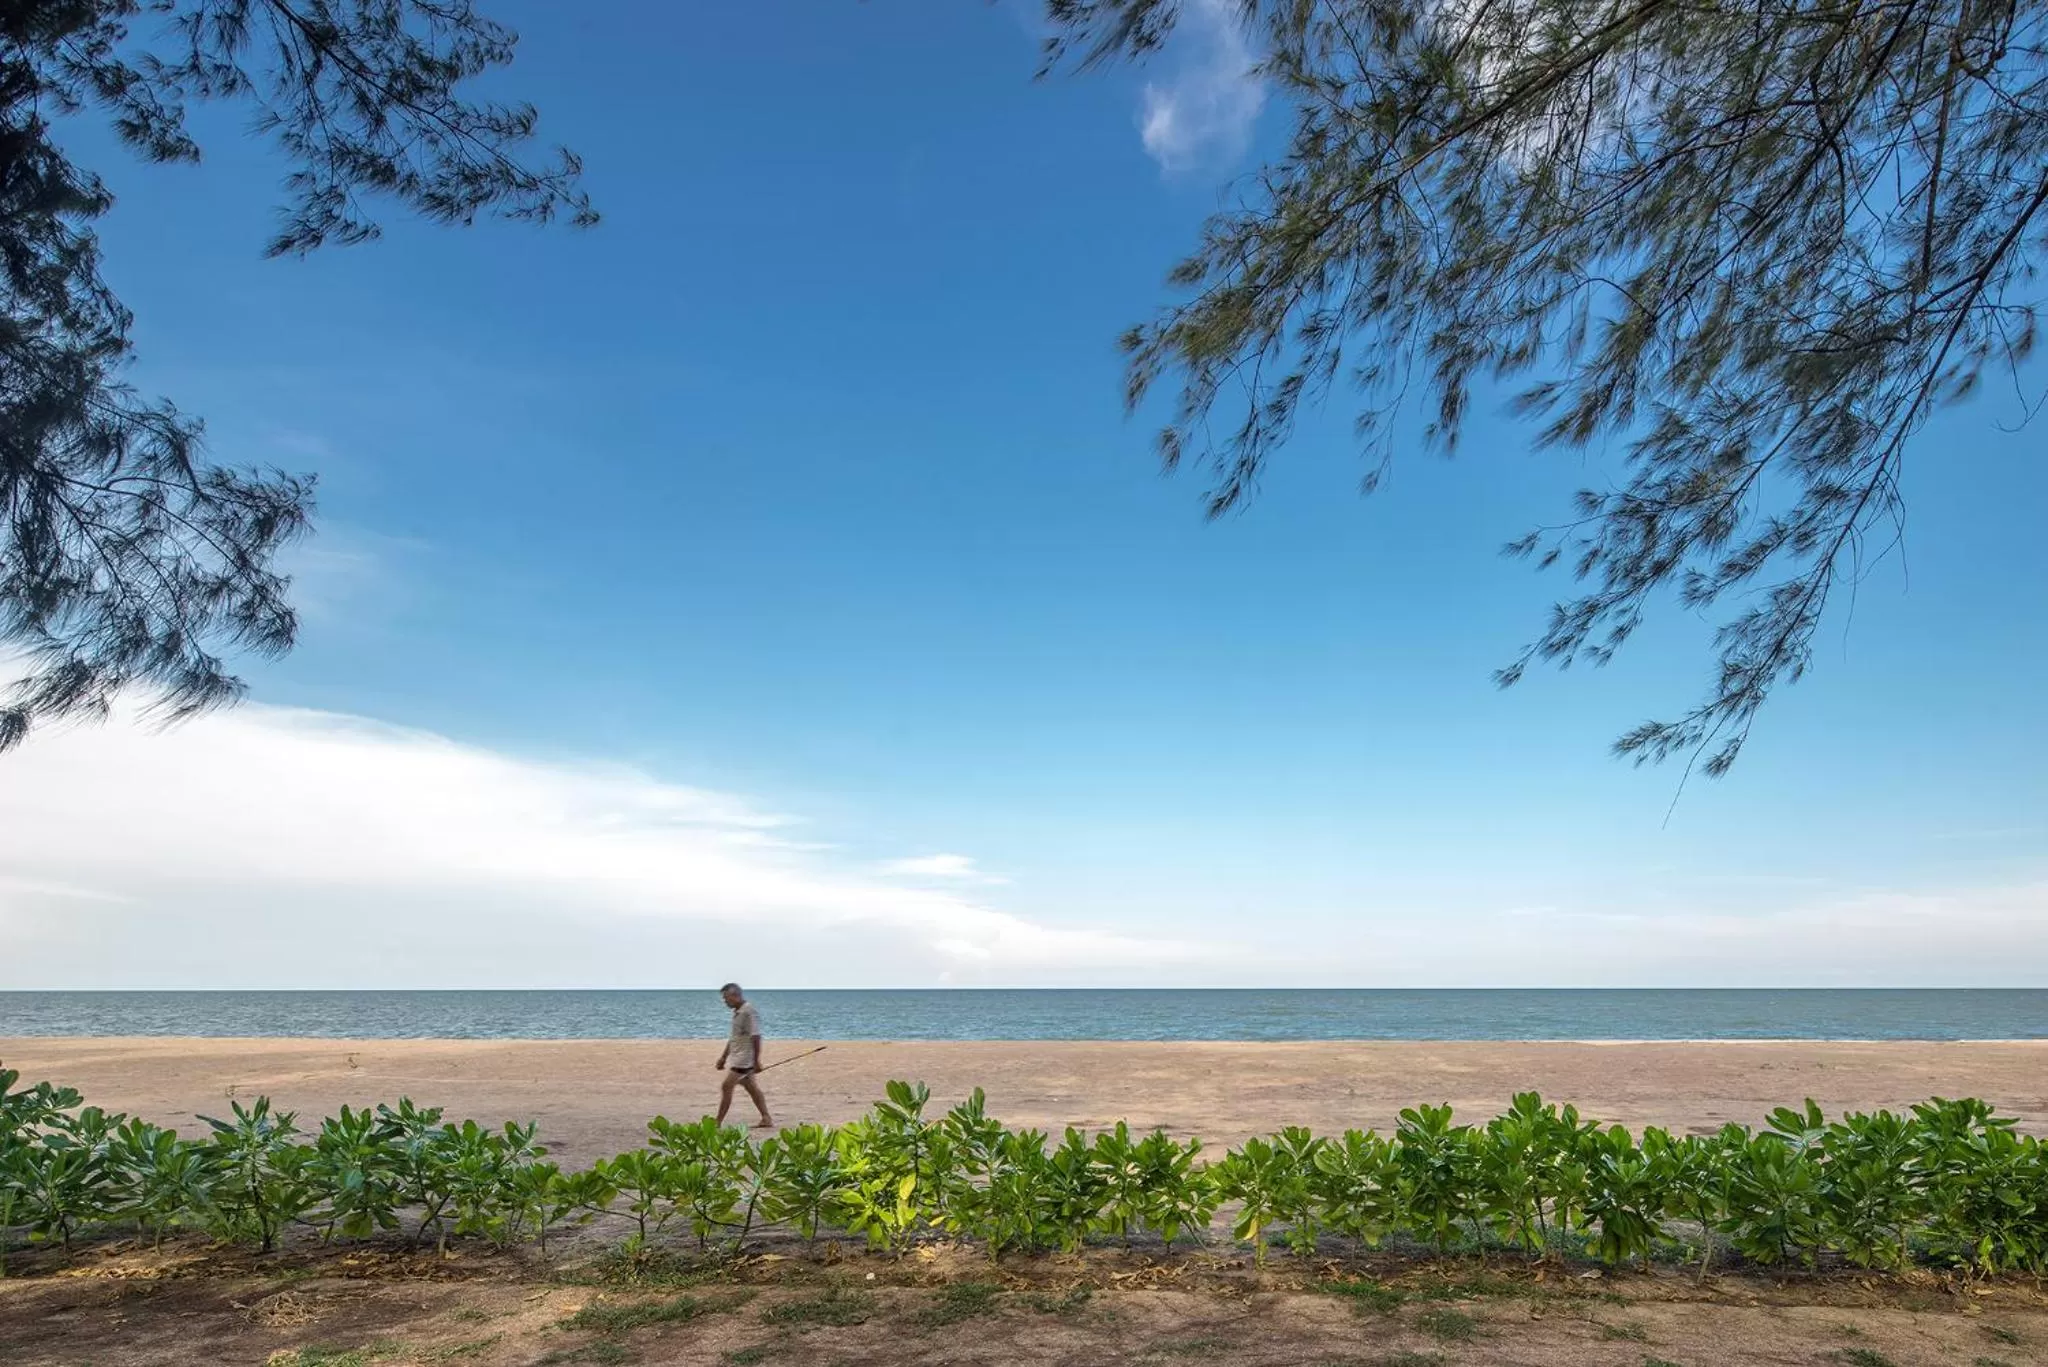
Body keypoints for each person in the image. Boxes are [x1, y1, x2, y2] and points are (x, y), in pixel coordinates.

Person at [714, 982, 775, 1129]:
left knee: (726, 1086)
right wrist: (723, 1057)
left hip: (744, 1060)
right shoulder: (738, 1013)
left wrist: (756, 1062)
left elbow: (756, 1037)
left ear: (736, 996)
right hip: (738, 1056)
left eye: (726, 998)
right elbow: (733, 1038)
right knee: (751, 1087)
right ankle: (766, 1118)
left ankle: (717, 1123)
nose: (725, 1002)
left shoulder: (748, 1011)